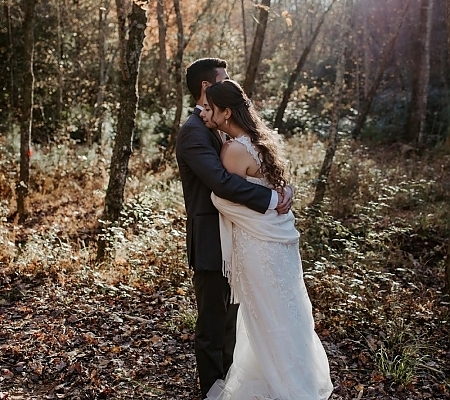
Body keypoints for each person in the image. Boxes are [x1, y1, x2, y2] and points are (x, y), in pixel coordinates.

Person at [199, 79, 333, 399]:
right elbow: (279, 187)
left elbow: (226, 199)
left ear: (226, 112)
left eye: (209, 108)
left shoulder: (233, 150)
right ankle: (290, 378)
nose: (204, 113)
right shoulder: (264, 140)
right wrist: (283, 194)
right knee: (286, 313)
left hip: (258, 246)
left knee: (265, 316)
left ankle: (284, 388)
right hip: (281, 245)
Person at [175, 58, 293, 399]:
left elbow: (258, 163)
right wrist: (272, 200)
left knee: (232, 325)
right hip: (213, 242)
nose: (231, 83)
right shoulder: (193, 132)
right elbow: (221, 182)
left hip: (240, 241)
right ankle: (212, 392)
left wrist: (284, 188)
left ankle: (231, 390)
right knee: (213, 326)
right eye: (224, 79)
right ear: (206, 87)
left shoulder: (226, 126)